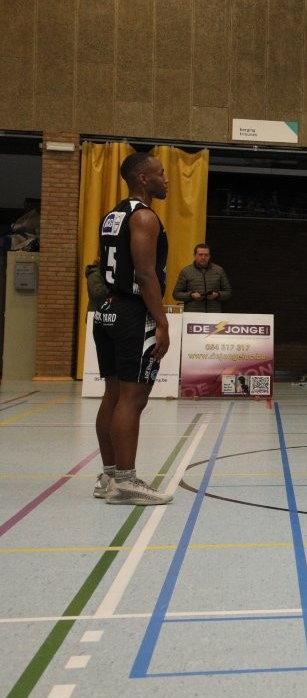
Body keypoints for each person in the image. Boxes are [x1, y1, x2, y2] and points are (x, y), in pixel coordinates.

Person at [91, 151, 174, 506]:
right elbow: (145, 273)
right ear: (143, 178)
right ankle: (126, 481)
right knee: (133, 397)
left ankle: (109, 476)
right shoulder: (143, 216)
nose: (166, 178)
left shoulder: (113, 215)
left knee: (112, 394)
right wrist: (162, 321)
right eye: (160, 172)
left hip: (107, 309)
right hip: (132, 313)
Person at [172, 243, 232, 313]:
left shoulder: (219, 270)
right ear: (195, 255)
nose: (203, 257)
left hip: (213, 313)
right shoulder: (186, 272)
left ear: (209, 256)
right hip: (193, 314)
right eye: (200, 255)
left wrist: (217, 295)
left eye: (206, 255)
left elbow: (228, 293)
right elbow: (176, 294)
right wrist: (191, 295)